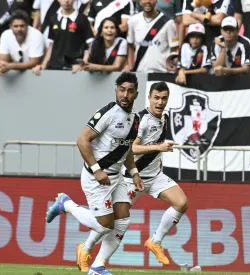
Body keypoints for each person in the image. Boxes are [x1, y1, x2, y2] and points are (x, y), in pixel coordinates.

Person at [75, 82, 189, 272]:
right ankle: (86, 249)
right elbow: (133, 148)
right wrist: (157, 149)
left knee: (182, 203)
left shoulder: (164, 118)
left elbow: (153, 144)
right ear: (149, 98)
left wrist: (158, 157)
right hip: (131, 179)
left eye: (164, 98)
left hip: (154, 176)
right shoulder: (141, 119)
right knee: (111, 223)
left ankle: (155, 241)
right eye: (157, 98)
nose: (160, 102)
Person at [46, 72, 144, 275]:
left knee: (123, 220)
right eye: (121, 90)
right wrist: (97, 169)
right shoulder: (108, 113)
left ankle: (97, 267)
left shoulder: (135, 120)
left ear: (136, 94)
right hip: (96, 178)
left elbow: (126, 150)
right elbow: (82, 140)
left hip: (116, 178)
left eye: (130, 91)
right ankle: (67, 204)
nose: (125, 94)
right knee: (105, 225)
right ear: (116, 90)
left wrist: (134, 172)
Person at [125, 0, 179, 73]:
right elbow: (130, 45)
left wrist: (172, 65)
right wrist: (130, 65)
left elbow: (175, 48)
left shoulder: (168, 23)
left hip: (162, 72)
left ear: (156, 1)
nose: (148, 1)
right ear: (139, 2)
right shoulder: (133, 21)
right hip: (140, 72)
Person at [0, 10, 45, 75]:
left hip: (35, 73)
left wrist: (10, 66)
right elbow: (3, 62)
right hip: (14, 75)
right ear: (10, 26)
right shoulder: (5, 35)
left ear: (27, 25)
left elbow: (34, 63)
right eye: (16, 26)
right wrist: (0, 68)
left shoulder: (36, 35)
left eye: (22, 26)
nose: (19, 29)